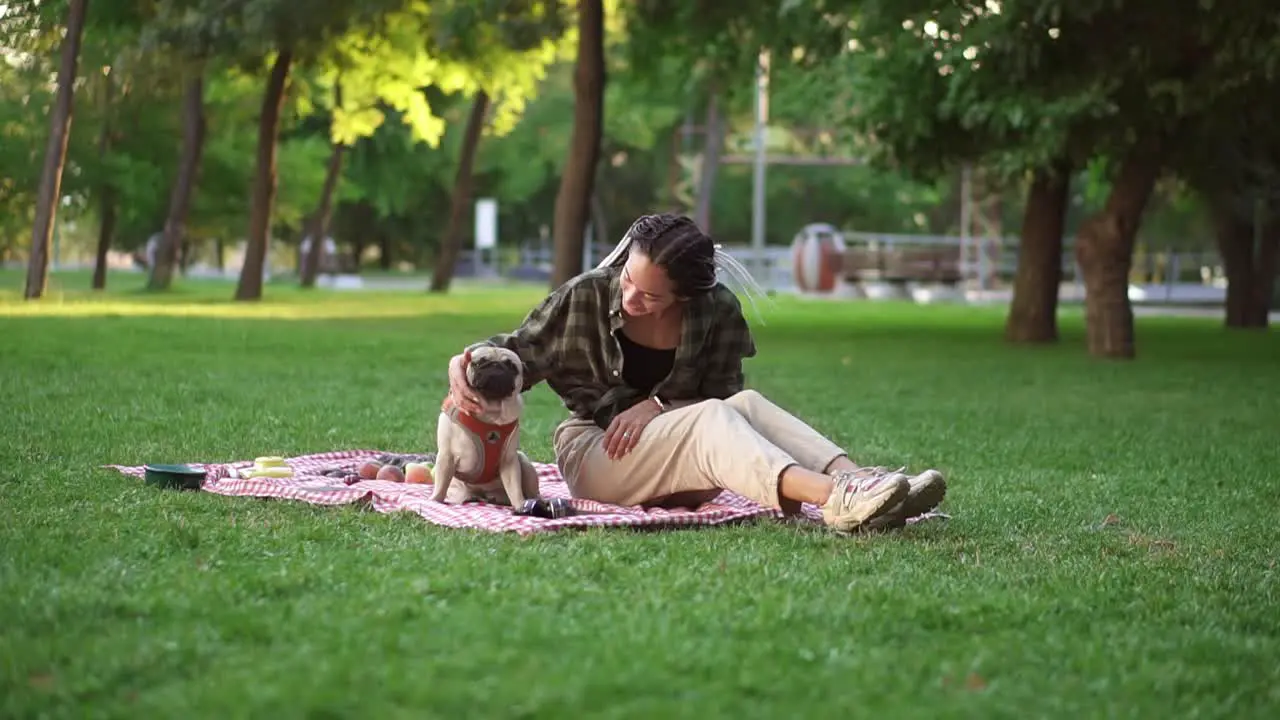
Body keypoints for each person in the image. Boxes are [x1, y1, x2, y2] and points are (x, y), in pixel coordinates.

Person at [447, 213, 945, 533]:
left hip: (687, 466)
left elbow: (727, 402)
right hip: (598, 453)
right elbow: (514, 353)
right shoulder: (585, 296)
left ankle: (862, 481)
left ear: (684, 298)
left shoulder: (716, 312)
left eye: (649, 295)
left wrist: (659, 406)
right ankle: (834, 499)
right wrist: (462, 362)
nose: (629, 297)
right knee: (711, 417)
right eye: (628, 279)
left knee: (742, 405)